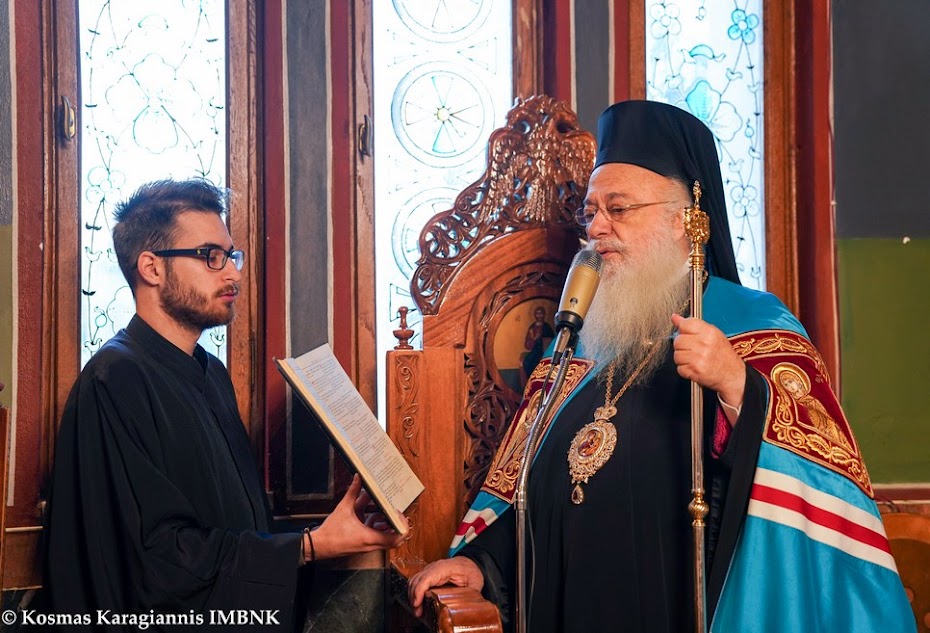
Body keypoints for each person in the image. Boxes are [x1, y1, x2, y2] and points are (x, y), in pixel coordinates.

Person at [409, 101, 915, 632]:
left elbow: (818, 485)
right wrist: (481, 565)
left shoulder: (753, 325)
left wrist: (737, 385)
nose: (597, 228)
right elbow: (528, 487)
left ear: (686, 222)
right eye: (590, 212)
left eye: (619, 209)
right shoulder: (579, 340)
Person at [45, 179, 405, 632]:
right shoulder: (114, 380)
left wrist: (324, 534)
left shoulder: (211, 372)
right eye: (210, 256)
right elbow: (155, 561)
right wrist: (310, 546)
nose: (233, 274)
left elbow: (235, 524)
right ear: (151, 268)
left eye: (232, 256)